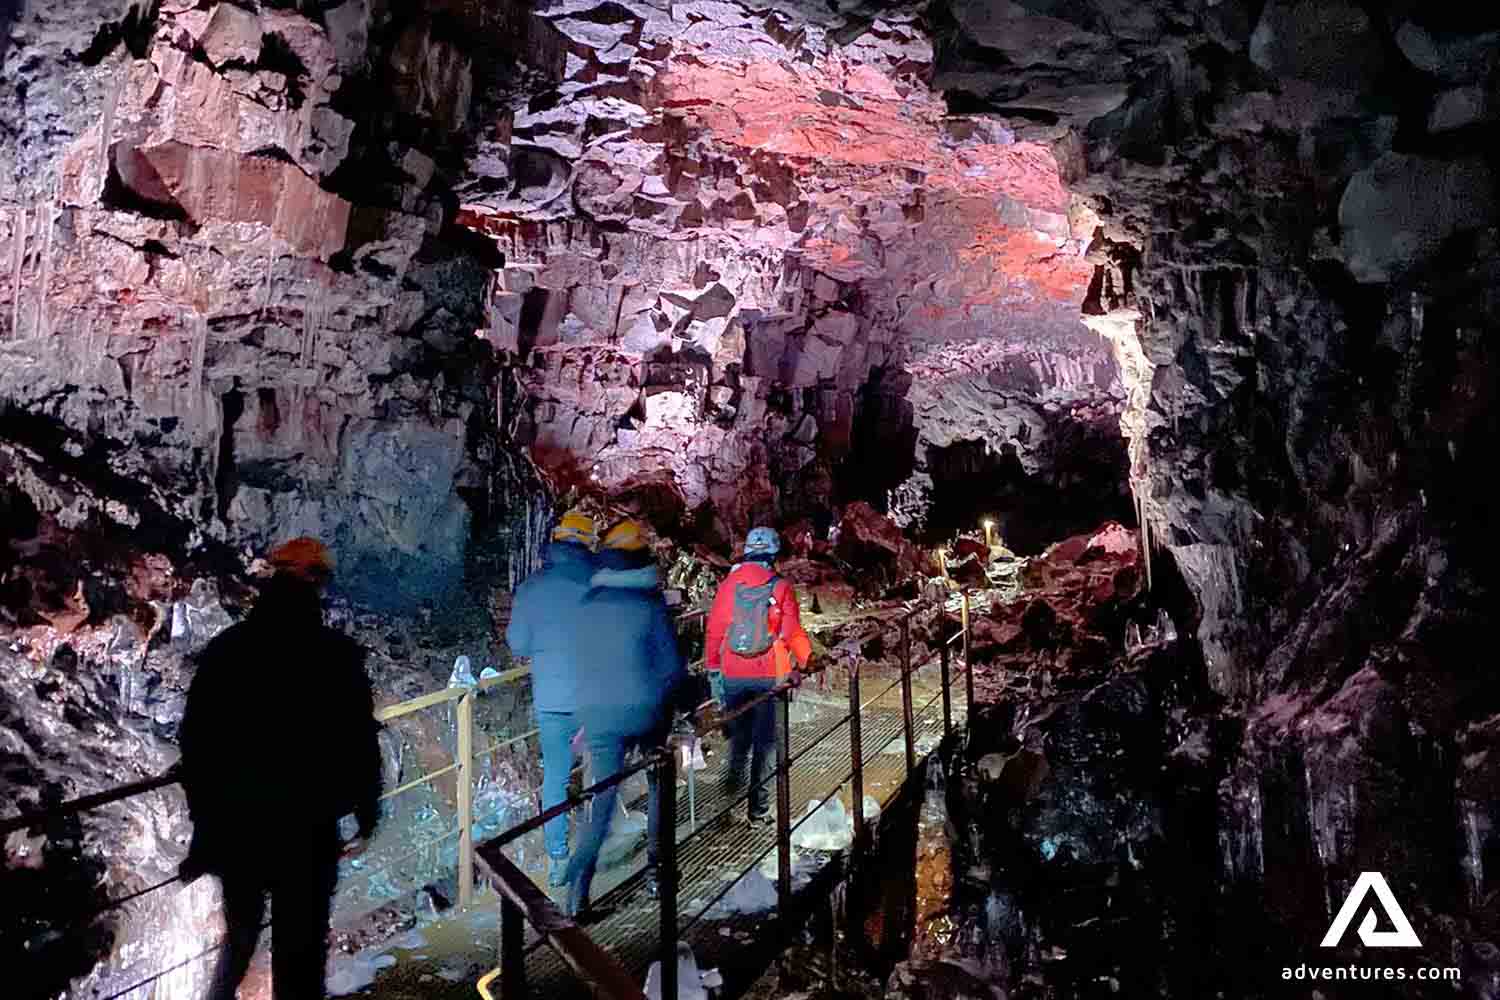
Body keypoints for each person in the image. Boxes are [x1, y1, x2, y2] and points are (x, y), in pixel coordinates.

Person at [178, 537, 381, 1000]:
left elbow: (197, 743)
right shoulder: (337, 655)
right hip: (306, 828)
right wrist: (366, 813)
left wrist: (205, 824)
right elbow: (358, 741)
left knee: (241, 937)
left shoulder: (225, 651)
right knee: (301, 950)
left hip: (238, 824)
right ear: (315, 584)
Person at [563, 519, 687, 917]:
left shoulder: (586, 606)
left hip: (598, 716)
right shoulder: (649, 607)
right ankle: (658, 874)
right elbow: (671, 668)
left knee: (600, 802)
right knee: (658, 787)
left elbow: (574, 662)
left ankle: (576, 892)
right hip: (646, 713)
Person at [506, 509, 597, 887]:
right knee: (602, 773)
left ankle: (558, 859)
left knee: (556, 778)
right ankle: (595, 850)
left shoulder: (532, 587)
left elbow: (518, 643)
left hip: (553, 697)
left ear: (556, 541)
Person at [704, 527, 813, 826]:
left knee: (740, 740)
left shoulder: (729, 585)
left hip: (734, 672)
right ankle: (758, 809)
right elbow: (791, 631)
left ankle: (728, 801)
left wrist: (714, 668)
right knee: (765, 745)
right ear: (774, 555)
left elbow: (715, 630)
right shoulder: (779, 586)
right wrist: (807, 659)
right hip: (770, 674)